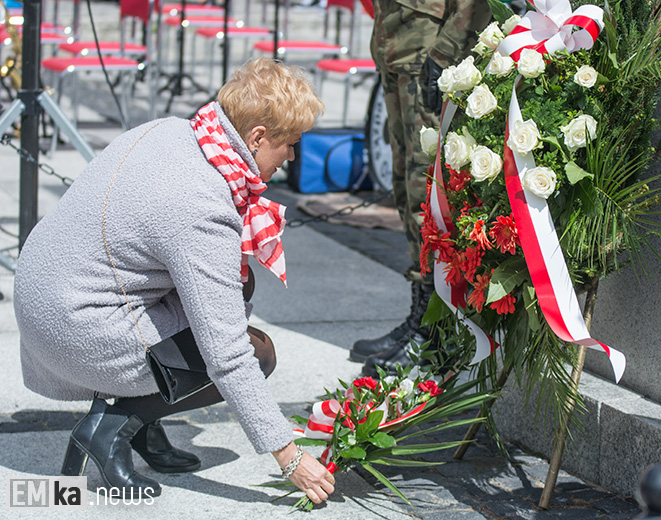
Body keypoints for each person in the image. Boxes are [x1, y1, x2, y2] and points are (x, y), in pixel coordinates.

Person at [13, 58, 335, 502]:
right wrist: (290, 456)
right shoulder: (201, 202)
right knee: (257, 353)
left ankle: (142, 419)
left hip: (48, 298)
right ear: (258, 137)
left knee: (236, 287)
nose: (292, 157)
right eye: (290, 145)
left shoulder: (174, 130)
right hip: (72, 326)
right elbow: (227, 355)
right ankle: (112, 427)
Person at [354, 0, 491, 376]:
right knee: (405, 184)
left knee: (428, 189)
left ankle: (439, 326)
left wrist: (446, 52)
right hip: (398, 51)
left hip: (432, 56)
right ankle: (420, 315)